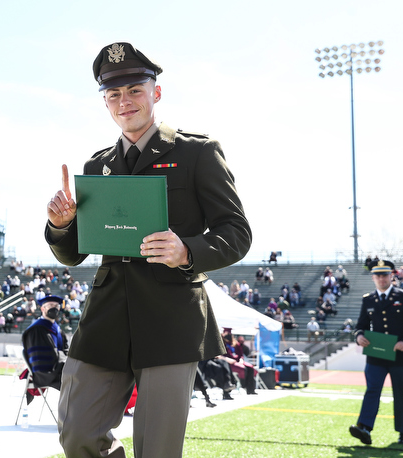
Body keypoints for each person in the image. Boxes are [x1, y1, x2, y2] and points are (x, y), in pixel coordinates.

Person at [44, 42, 252, 458]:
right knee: (77, 434)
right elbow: (74, 254)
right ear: (105, 103)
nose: (125, 102)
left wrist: (187, 250)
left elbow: (237, 231)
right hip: (105, 319)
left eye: (134, 90)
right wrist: (61, 225)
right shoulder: (97, 165)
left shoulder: (197, 152)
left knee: (157, 450)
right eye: (113, 95)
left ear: (155, 93)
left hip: (170, 319)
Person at [350, 260, 403, 446]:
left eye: (385, 275)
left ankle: (402, 432)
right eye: (378, 275)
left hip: (400, 356)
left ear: (392, 276)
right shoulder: (368, 299)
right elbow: (360, 326)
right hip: (375, 356)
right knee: (372, 391)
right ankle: (364, 428)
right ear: (373, 277)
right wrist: (359, 337)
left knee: (401, 394)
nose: (381, 279)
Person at [22, 295, 69, 390]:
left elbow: (66, 350)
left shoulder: (58, 329)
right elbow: (44, 359)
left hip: (59, 369)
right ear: (43, 308)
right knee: (80, 379)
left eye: (56, 306)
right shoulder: (37, 329)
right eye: (51, 305)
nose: (54, 308)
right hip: (46, 373)